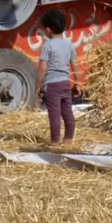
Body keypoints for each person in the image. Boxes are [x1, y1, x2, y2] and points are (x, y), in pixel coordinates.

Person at [36, 10, 78, 146]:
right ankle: (69, 139)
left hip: (52, 85)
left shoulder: (48, 45)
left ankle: (55, 141)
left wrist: (38, 84)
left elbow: (43, 67)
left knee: (54, 113)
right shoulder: (69, 45)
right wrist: (77, 83)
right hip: (66, 83)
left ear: (48, 30)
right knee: (67, 112)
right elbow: (74, 65)